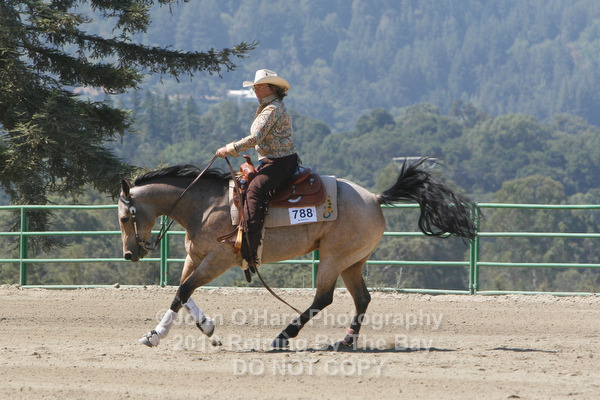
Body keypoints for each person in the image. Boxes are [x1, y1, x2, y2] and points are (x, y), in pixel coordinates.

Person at [216, 69, 300, 268]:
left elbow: (256, 137)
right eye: (255, 87)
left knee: (254, 191)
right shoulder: (270, 107)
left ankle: (249, 245)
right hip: (273, 161)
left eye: (260, 87)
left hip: (279, 163)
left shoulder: (272, 109)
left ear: (273, 88)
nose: (256, 91)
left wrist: (230, 148)